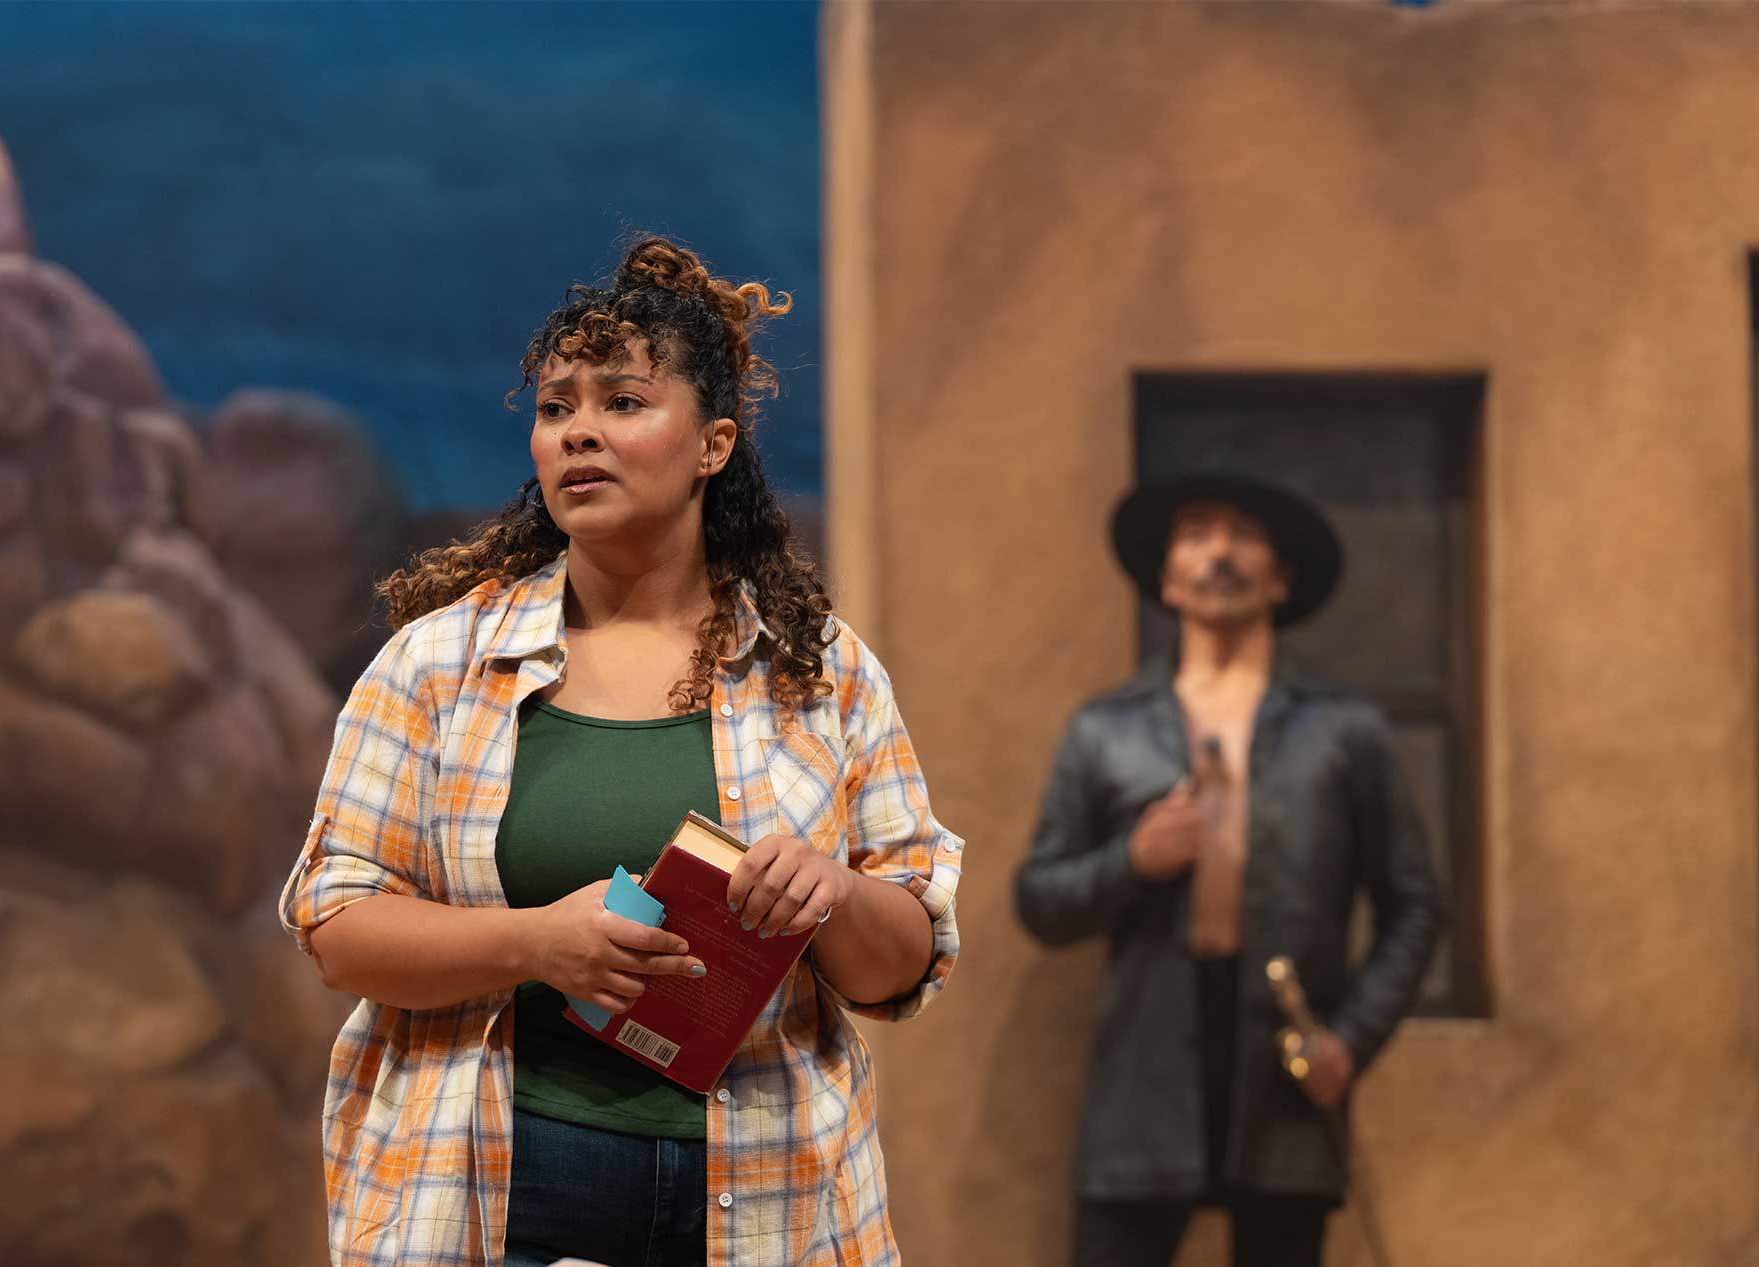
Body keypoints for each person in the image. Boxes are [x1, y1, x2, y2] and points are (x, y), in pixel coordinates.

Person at [277, 237, 962, 1267]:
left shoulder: (816, 670)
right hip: (493, 1189)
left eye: (623, 403)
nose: (578, 433)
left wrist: (833, 892)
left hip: (763, 1199)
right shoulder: (439, 663)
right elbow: (335, 923)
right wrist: (534, 941)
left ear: (712, 445)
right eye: (557, 409)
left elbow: (899, 964)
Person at [1014, 474, 1445, 1267]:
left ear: (1281, 577)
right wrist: (1133, 860)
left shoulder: (1343, 730)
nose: (1220, 550)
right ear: (1167, 576)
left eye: (1244, 534)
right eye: (1198, 531)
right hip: (1141, 1079)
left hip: (1285, 1074)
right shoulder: (1106, 728)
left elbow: (1415, 905)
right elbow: (1039, 899)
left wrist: (1351, 1040)